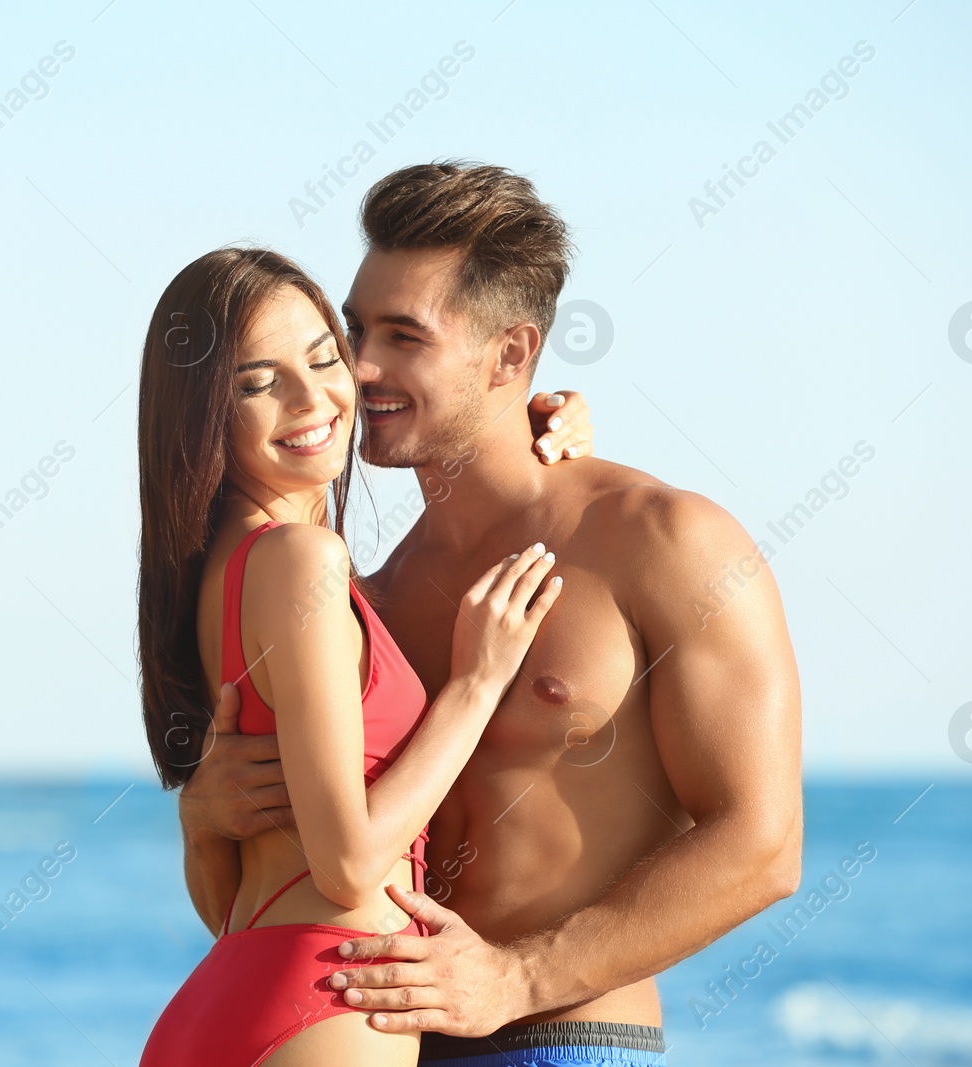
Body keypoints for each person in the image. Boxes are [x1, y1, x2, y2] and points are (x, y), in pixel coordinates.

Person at [180, 162, 804, 1066]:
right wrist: (204, 818)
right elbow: (291, 903)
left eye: (404, 335)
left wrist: (517, 977)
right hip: (377, 1041)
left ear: (511, 355)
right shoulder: (367, 600)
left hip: (567, 1036)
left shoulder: (667, 542)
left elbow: (763, 842)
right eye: (354, 327)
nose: (356, 366)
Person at [135, 247, 583, 1065]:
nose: (315, 398)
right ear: (203, 412)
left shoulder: (220, 575)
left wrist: (527, 418)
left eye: (322, 357)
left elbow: (242, 896)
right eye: (256, 382)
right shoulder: (300, 562)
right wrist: (477, 683)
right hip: (325, 1000)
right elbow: (346, 867)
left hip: (245, 994)